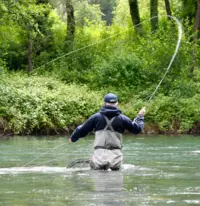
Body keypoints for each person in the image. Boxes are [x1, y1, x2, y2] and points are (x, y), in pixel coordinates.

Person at [69, 93, 145, 170]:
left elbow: (81, 130)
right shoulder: (123, 119)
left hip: (99, 156)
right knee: (114, 178)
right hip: (116, 156)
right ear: (117, 103)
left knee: (99, 177)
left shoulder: (96, 117)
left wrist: (73, 138)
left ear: (105, 103)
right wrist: (140, 117)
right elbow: (137, 129)